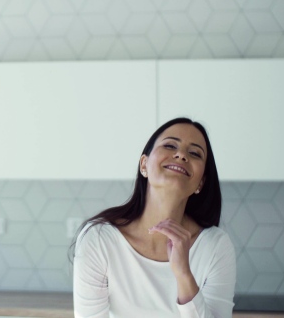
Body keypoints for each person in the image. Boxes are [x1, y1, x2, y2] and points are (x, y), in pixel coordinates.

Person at [72, 117, 236, 318]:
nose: (181, 155)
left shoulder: (215, 247)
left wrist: (184, 273)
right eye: (170, 145)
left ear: (200, 183)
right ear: (144, 165)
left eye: (194, 153)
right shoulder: (98, 240)